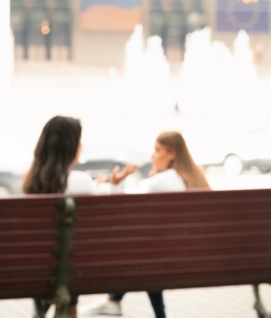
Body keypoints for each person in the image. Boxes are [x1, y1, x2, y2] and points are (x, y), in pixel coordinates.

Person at [82, 131, 210, 318]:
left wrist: (116, 185)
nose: (152, 155)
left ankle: (114, 300)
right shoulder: (196, 178)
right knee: (148, 253)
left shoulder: (161, 181)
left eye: (157, 150)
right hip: (196, 259)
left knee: (143, 255)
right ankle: (115, 301)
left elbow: (122, 213)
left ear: (171, 154)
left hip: (164, 260)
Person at [23, 116, 135, 318]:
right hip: (74, 270)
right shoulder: (82, 182)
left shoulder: (30, 183)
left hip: (36, 268)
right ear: (72, 146)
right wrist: (108, 186)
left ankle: (40, 309)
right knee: (68, 264)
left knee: (56, 261)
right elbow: (108, 221)